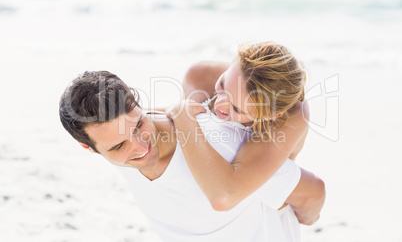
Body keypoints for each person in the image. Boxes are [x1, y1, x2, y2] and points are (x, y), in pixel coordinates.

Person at [59, 70, 325, 241]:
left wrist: (301, 216)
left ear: (140, 108)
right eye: (118, 147)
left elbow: (313, 192)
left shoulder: (220, 145)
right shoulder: (115, 130)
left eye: (139, 125)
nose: (140, 147)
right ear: (90, 148)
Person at [166, 41, 323, 230]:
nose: (219, 105)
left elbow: (225, 196)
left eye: (237, 108)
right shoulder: (201, 76)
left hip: (267, 203)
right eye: (223, 85)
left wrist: (184, 115)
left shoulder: (293, 116)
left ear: (271, 115)